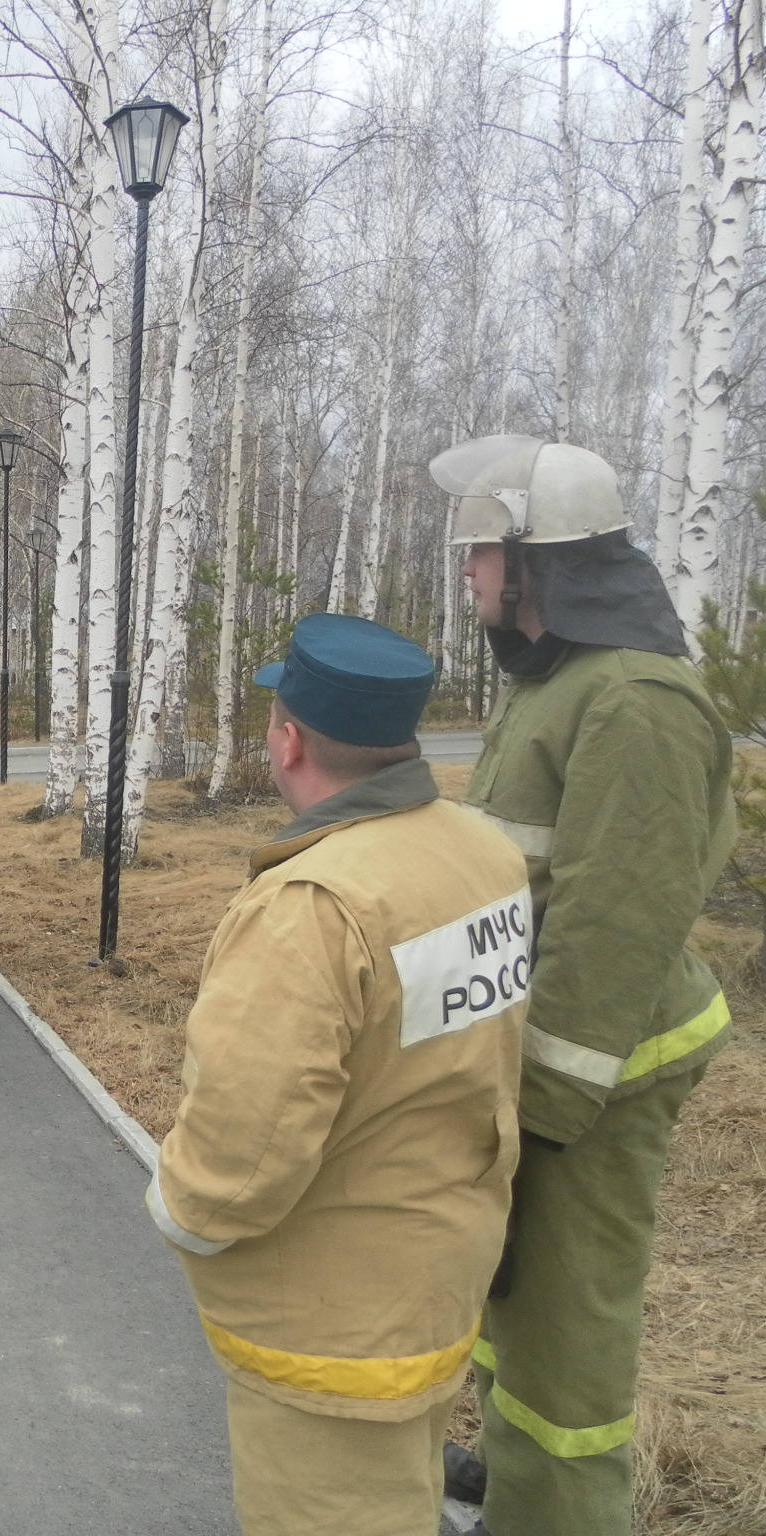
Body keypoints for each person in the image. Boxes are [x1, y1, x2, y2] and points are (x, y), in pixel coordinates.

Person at [150, 612, 530, 1536]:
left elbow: (246, 1145)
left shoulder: (312, 903)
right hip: (441, 1269)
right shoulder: (482, 849)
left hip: (330, 1320)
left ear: (288, 740)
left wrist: (181, 1213)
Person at [431, 436, 735, 1536]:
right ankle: (510, 1482)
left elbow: (610, 928)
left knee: (566, 1339)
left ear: (533, 564)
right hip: (532, 1050)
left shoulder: (634, 701)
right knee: (508, 1299)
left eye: (477, 554)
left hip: (597, 1067)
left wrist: (537, 1117)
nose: (465, 575)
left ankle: (554, 1507)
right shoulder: (554, 679)